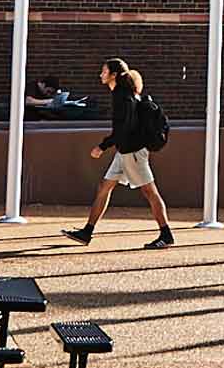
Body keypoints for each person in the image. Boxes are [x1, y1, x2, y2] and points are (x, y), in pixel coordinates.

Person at [64, 56, 175, 249]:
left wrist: (102, 146)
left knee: (150, 192)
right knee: (104, 187)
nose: (101, 74)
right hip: (125, 151)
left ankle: (166, 235)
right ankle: (86, 232)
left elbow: (123, 128)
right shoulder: (125, 94)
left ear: (114, 75)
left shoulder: (122, 97)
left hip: (132, 153)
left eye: (104, 71)